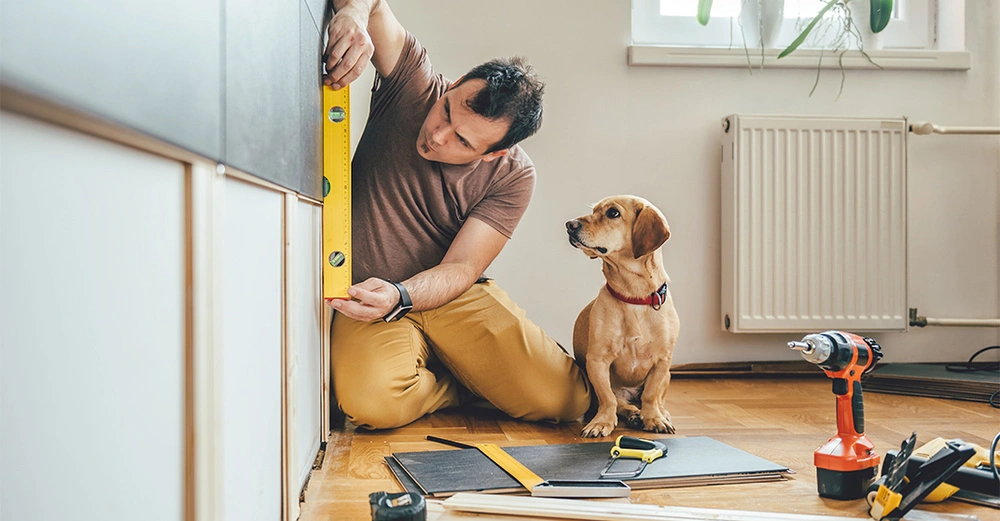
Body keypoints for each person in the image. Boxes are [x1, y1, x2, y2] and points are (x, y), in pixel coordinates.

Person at [323, 0, 591, 430]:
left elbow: (464, 266)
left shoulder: (514, 175)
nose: (437, 135)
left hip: (449, 293)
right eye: (448, 110)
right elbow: (372, 3)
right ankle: (462, 383)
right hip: (369, 296)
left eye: (462, 142)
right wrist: (354, 14)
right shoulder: (414, 84)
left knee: (566, 399)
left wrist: (403, 294)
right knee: (372, 405)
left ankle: (468, 371)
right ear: (458, 83)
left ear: (494, 153)